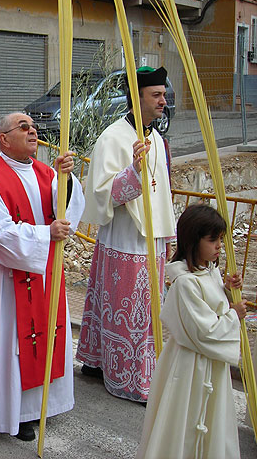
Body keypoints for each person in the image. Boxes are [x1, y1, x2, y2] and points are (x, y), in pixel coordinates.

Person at [0, 112, 85, 441]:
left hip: (46, 273)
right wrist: (45, 234)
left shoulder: (45, 172)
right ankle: (17, 414)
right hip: (12, 279)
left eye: (34, 126)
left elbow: (65, 210)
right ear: (3, 139)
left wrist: (66, 181)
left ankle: (46, 405)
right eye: (24, 127)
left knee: (48, 337)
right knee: (14, 347)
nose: (32, 130)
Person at [76, 66, 176, 403]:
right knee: (125, 308)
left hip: (151, 239)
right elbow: (102, 192)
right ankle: (128, 375)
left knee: (147, 310)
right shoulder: (113, 137)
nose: (163, 100)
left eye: (164, 95)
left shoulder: (156, 138)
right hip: (125, 237)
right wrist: (133, 172)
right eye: (156, 95)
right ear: (138, 99)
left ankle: (101, 362)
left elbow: (162, 190)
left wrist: (167, 230)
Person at [136, 204, 246, 458]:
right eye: (213, 240)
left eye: (221, 239)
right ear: (193, 240)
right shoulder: (184, 283)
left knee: (209, 420)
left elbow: (214, 307)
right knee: (184, 424)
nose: (219, 245)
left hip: (210, 365)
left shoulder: (210, 272)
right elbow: (204, 331)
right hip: (189, 366)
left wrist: (228, 290)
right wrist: (234, 315)